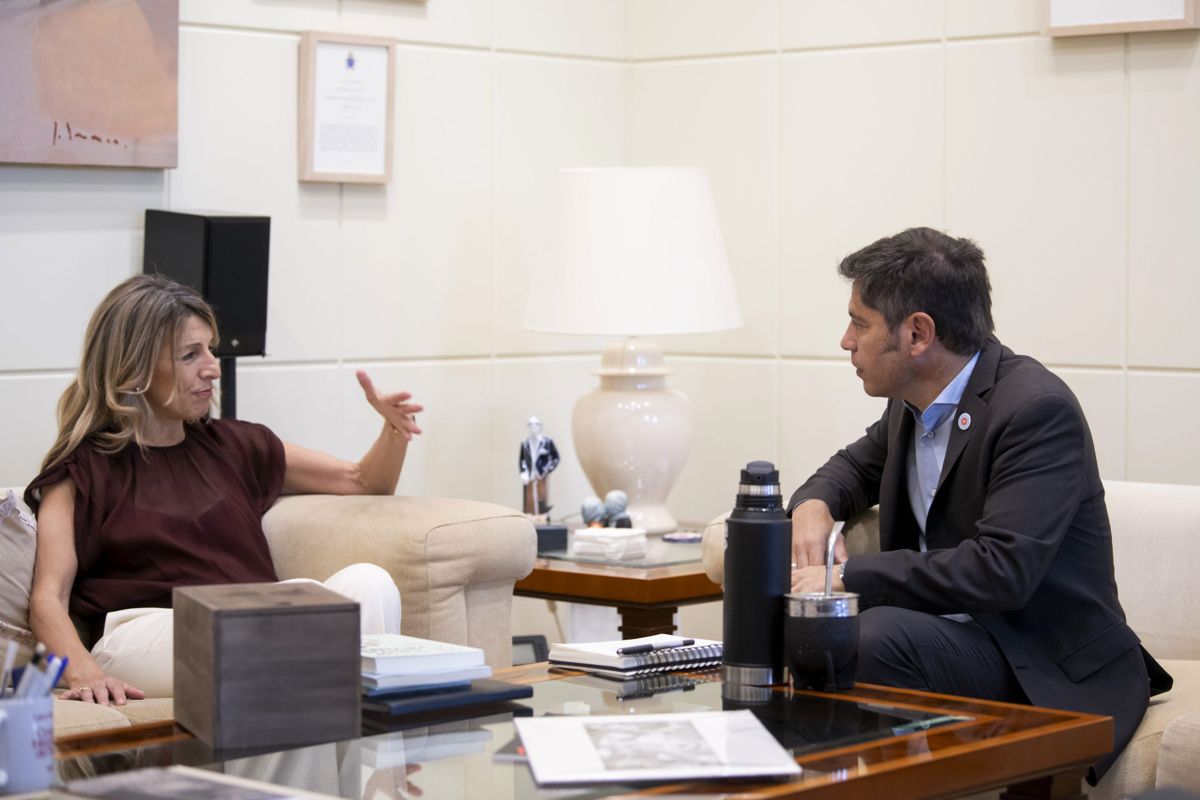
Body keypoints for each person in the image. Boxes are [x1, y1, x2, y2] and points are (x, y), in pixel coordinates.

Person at [787, 227, 1171, 784]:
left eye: (860, 322)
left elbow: (1001, 571)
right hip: (948, 634)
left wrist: (850, 576)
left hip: (1032, 652)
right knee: (795, 625)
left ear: (918, 333)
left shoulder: (1035, 410)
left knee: (869, 635)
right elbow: (850, 468)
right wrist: (813, 505)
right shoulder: (912, 403)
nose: (846, 340)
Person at [24, 274, 424, 707]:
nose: (213, 366)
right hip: (146, 633)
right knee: (267, 627)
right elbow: (48, 596)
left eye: (211, 349)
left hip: (261, 623)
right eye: (190, 354)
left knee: (370, 584)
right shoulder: (82, 468)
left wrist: (393, 430)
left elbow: (363, 481)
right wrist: (84, 673)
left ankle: (375, 766)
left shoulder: (236, 444)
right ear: (135, 369)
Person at [518, 416, 559, 515]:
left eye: (536, 424)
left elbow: (556, 458)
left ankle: (542, 514)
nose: (533, 427)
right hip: (530, 474)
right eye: (531, 424)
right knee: (529, 498)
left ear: (540, 426)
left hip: (541, 474)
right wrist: (524, 473)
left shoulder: (547, 442)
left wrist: (546, 470)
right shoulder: (525, 443)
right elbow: (521, 460)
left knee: (542, 496)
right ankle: (530, 514)